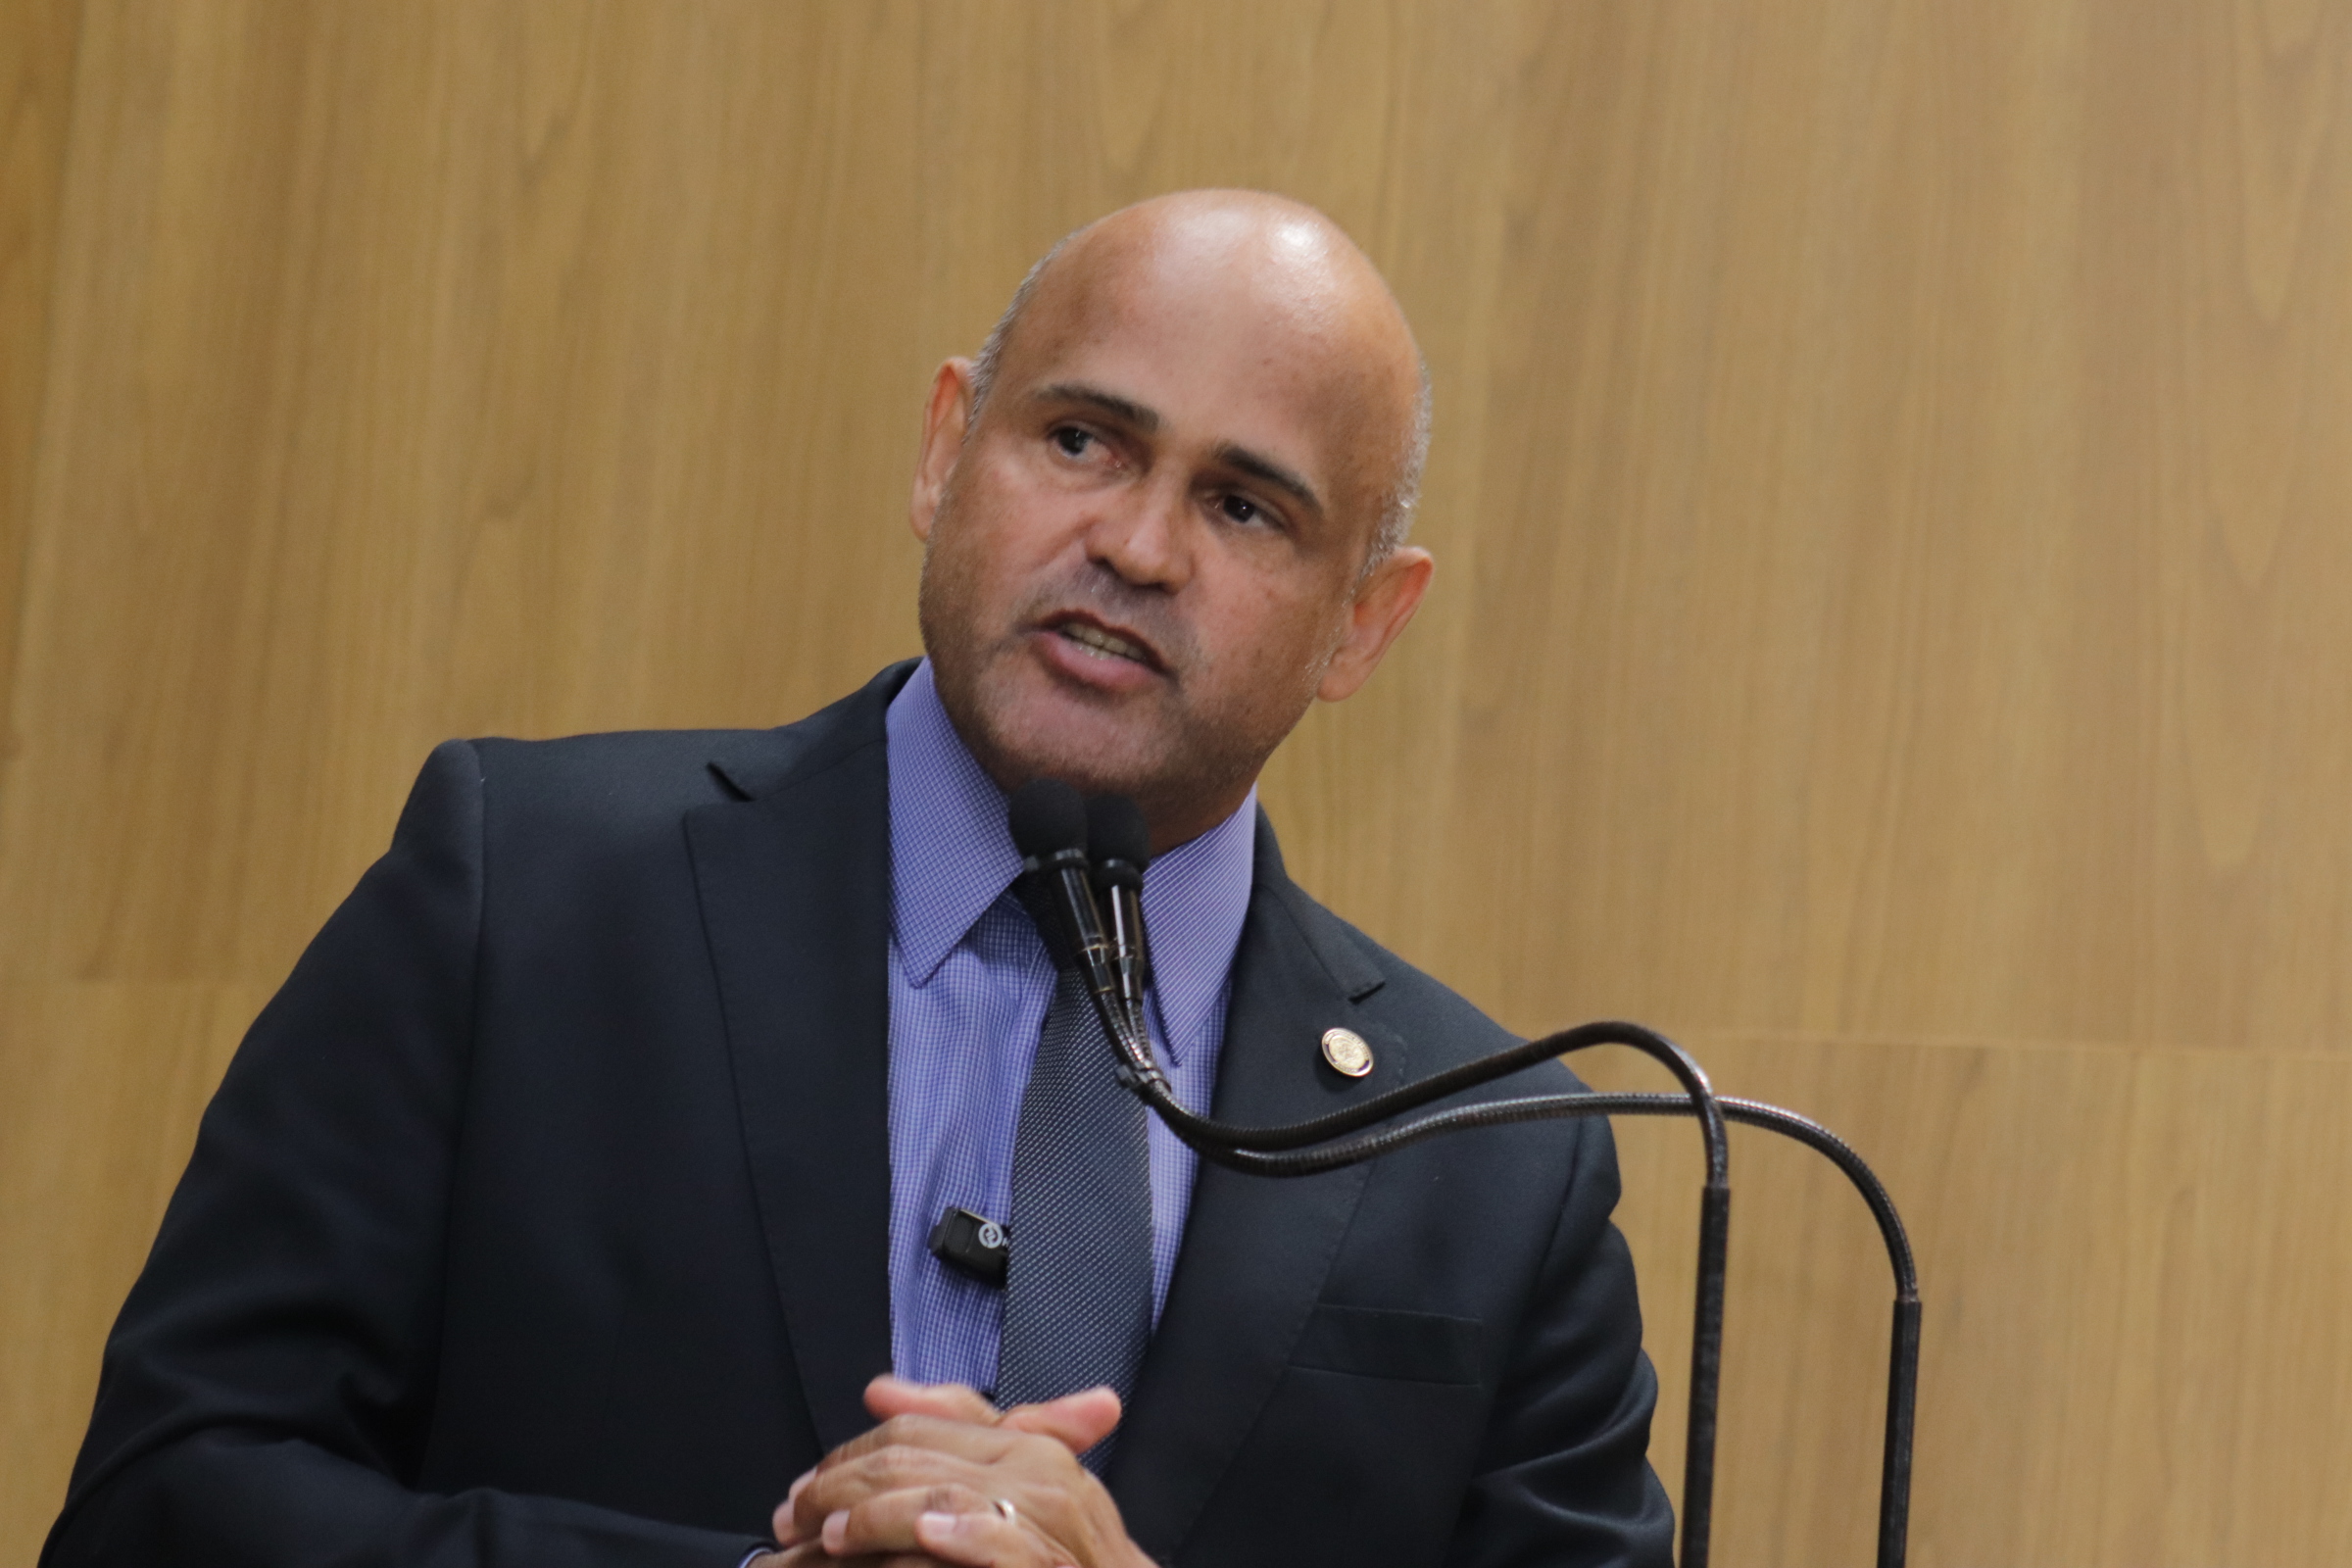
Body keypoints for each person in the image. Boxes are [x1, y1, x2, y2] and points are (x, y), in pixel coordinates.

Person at [45, 191, 1675, 1568]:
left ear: (1363, 624)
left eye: (1245, 508)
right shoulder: (520, 899)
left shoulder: (1491, 1165)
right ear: (946, 449)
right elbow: (161, 1508)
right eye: (1082, 440)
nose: (1137, 547)